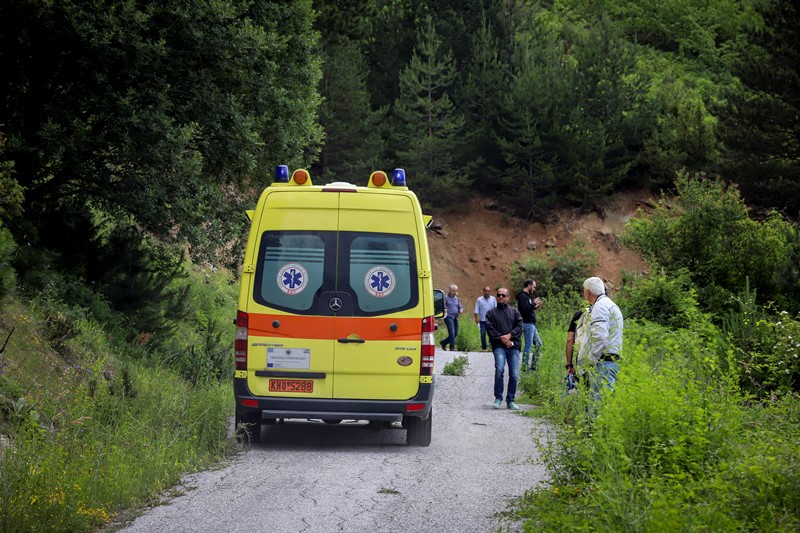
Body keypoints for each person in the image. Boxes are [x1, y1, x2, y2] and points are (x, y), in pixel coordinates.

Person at [574, 276, 623, 405]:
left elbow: (600, 338)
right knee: (604, 403)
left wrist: (590, 361)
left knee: (597, 405)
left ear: (588, 292)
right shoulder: (609, 304)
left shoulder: (600, 307)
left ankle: (595, 426)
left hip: (603, 362)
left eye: (584, 290)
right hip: (610, 360)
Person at [485, 288, 524, 410]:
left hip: (514, 346)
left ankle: (510, 400)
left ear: (508, 297)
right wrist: (503, 339)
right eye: (498, 295)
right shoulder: (491, 313)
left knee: (514, 374)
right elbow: (490, 329)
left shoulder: (515, 312)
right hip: (499, 346)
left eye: (503, 295)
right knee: (499, 369)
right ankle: (498, 398)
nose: (501, 297)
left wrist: (509, 336)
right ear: (496, 297)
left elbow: (520, 327)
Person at [516, 279, 543, 371]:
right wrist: (533, 304)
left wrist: (535, 306)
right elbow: (524, 310)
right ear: (529, 286)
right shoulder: (523, 296)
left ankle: (533, 366)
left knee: (539, 344)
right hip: (527, 323)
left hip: (531, 324)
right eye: (534, 287)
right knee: (529, 345)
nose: (534, 289)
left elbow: (528, 309)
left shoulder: (527, 297)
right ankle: (525, 367)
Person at [440, 284, 464, 351]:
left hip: (455, 317)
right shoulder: (445, 298)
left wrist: (461, 310)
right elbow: (442, 307)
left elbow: (460, 307)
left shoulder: (457, 299)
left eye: (455, 291)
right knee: (452, 332)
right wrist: (440, 318)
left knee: (455, 333)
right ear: (449, 290)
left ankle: (443, 342)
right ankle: (452, 347)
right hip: (448, 317)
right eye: (453, 291)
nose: (455, 292)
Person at [473, 286, 497, 351]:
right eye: (486, 291)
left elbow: (496, 309)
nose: (487, 292)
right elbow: (476, 309)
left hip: (491, 321)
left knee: (491, 334)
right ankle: (484, 347)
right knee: (483, 334)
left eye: (488, 291)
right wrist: (476, 318)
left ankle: (491, 347)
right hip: (482, 320)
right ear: (483, 291)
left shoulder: (493, 299)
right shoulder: (479, 300)